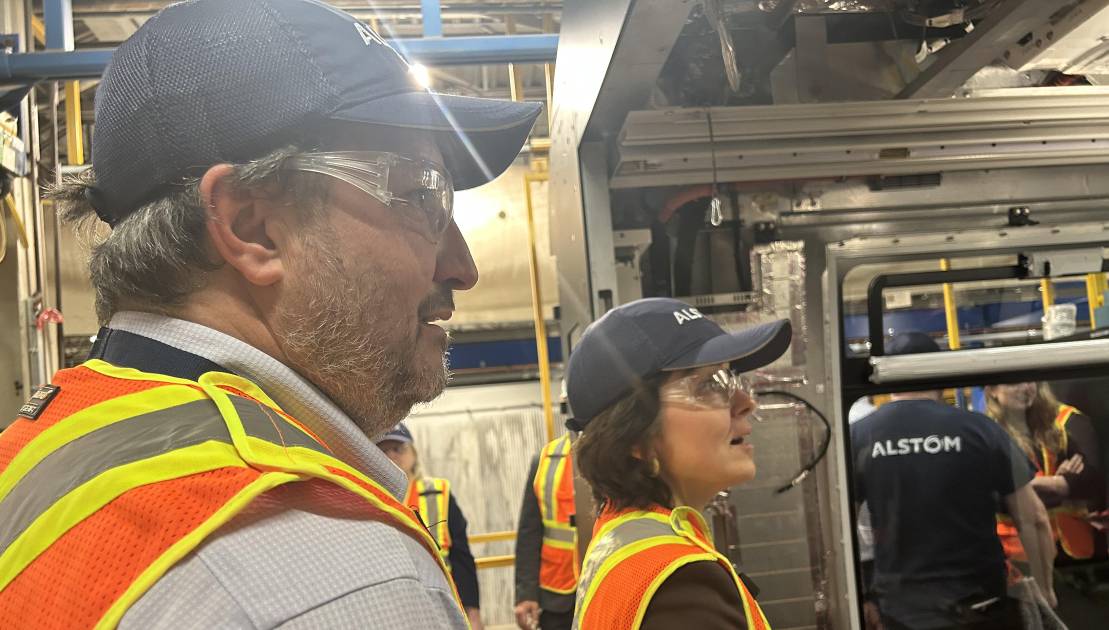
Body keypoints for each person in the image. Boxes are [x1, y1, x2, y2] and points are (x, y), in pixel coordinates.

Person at [0, 0, 541, 627]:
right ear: (251, 227)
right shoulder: (341, 583)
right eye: (422, 197)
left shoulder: (47, 445)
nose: (462, 267)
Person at [564, 297, 793, 630]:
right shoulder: (681, 584)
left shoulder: (628, 541)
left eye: (730, 379)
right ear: (635, 439)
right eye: (708, 385)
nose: (746, 402)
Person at [851, 332, 1056, 630]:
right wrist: (1044, 588)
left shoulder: (861, 436)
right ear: (941, 373)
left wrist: (863, 595)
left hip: (901, 608)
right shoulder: (981, 430)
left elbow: (845, 525)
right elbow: (1034, 518)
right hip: (979, 603)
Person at [377, 423, 484, 630]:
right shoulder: (365, 497)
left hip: (441, 602)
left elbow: (461, 557)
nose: (392, 455)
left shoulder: (438, 493)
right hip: (392, 608)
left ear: (413, 453)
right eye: (383, 450)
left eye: (398, 449)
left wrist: (472, 611)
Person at [985, 382, 1105, 562]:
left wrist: (1020, 487)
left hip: (1071, 551)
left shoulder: (1067, 420)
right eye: (1013, 383)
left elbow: (1091, 480)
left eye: (1029, 380)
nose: (1024, 388)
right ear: (992, 391)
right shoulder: (984, 432)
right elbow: (988, 493)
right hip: (1015, 556)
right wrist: (1060, 483)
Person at [514, 432, 578, 630]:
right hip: (557, 595)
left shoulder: (625, 453)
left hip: (608, 589)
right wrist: (526, 594)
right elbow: (529, 533)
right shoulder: (546, 459)